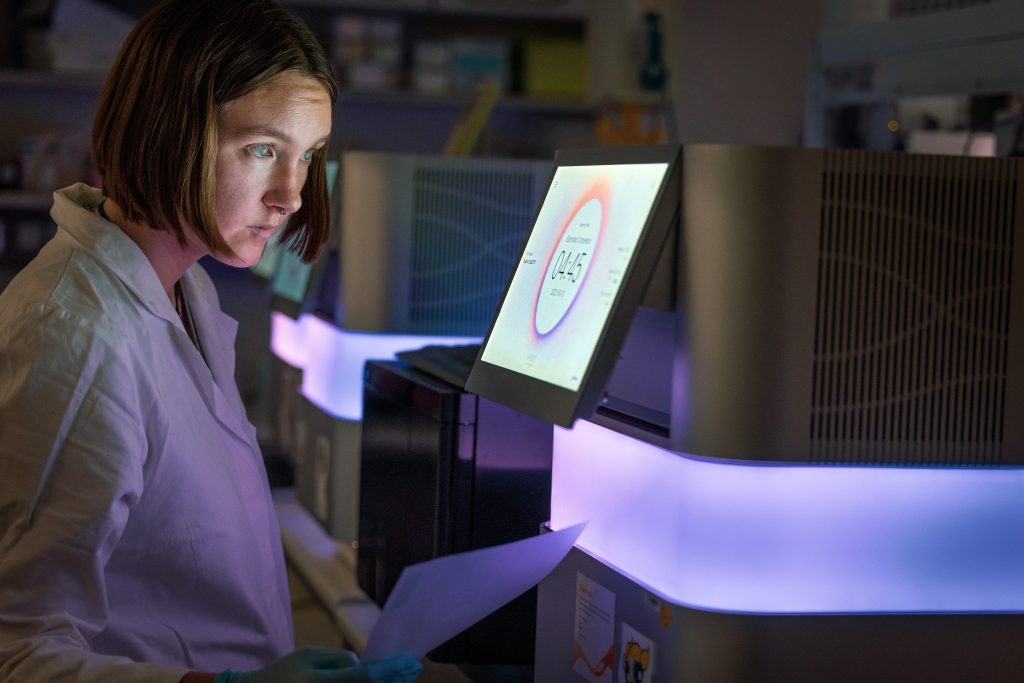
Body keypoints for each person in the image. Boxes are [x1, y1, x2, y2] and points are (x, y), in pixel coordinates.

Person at [0, 1, 422, 682]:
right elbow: (14, 652)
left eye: (308, 156)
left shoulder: (186, 292)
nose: (291, 194)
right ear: (168, 131)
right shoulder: (76, 340)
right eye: (262, 149)